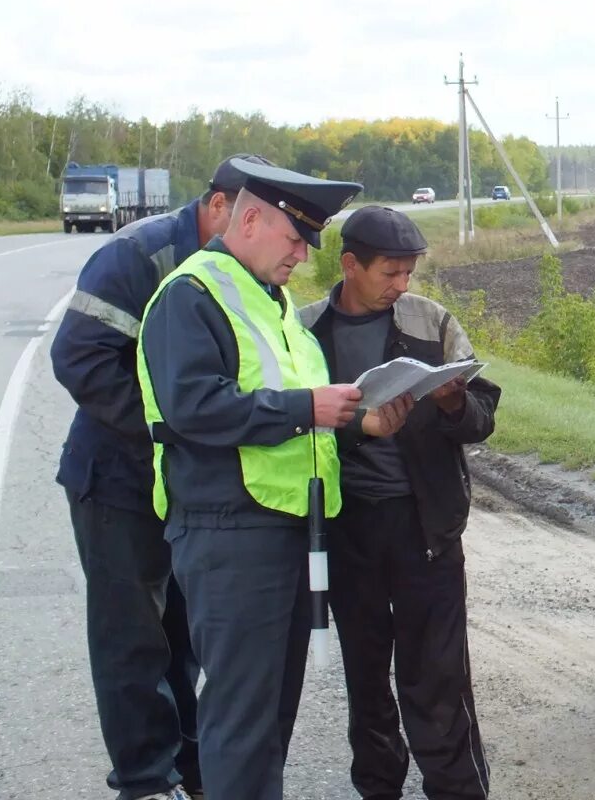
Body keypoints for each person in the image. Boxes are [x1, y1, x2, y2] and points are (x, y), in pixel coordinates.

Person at [135, 159, 402, 800]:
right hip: (229, 530)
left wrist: (353, 423)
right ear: (250, 219)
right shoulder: (191, 294)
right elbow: (193, 406)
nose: (300, 258)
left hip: (284, 528)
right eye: (293, 240)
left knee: (271, 713)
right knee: (243, 717)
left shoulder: (271, 302)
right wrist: (307, 408)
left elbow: (283, 404)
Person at [51, 153, 272, 800]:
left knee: (181, 638)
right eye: (256, 217)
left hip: (181, 486)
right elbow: (79, 357)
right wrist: (164, 429)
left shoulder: (236, 269)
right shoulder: (140, 255)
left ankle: (190, 769)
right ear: (221, 205)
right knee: (131, 642)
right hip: (116, 483)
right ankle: (146, 781)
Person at [300, 205, 500, 800]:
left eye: (409, 272)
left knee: (437, 675)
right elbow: (293, 426)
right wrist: (360, 428)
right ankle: (378, 786)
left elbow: (481, 418)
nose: (402, 286)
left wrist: (449, 403)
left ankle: (456, 789)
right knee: (365, 674)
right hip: (347, 529)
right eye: (391, 272)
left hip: (427, 529)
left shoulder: (431, 322)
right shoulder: (306, 332)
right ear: (350, 265)